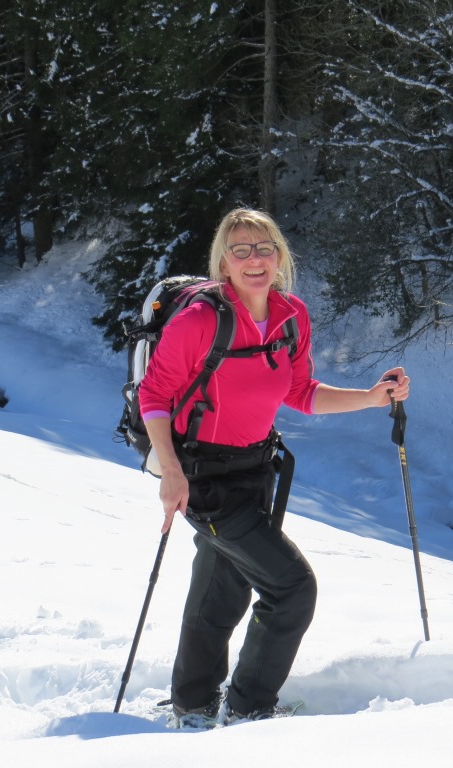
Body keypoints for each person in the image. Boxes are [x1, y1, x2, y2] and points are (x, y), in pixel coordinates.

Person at [139, 207, 410, 727]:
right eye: (240, 250)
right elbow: (154, 395)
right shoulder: (200, 320)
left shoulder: (291, 317)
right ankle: (249, 707)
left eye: (264, 248)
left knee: (225, 583)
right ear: (224, 262)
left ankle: (193, 704)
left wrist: (373, 398)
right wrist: (171, 473)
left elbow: (300, 392)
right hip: (204, 479)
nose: (254, 259)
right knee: (291, 588)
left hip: (255, 471)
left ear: (280, 256)